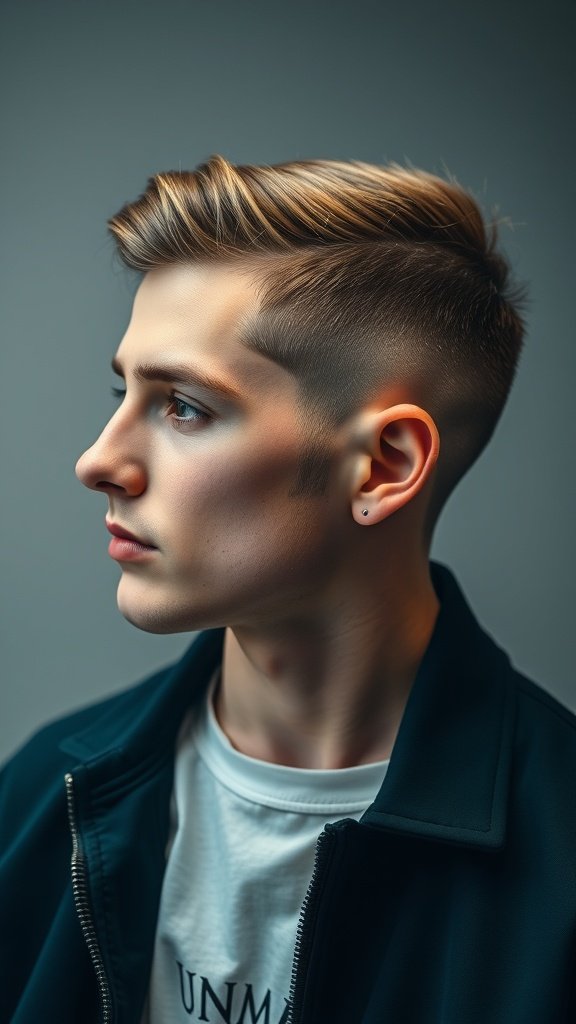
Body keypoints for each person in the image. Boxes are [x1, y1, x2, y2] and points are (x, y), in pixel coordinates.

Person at [1, 154, 574, 1024]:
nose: (98, 461)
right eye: (124, 391)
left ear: (384, 466)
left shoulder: (561, 865)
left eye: (184, 406)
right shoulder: (45, 797)